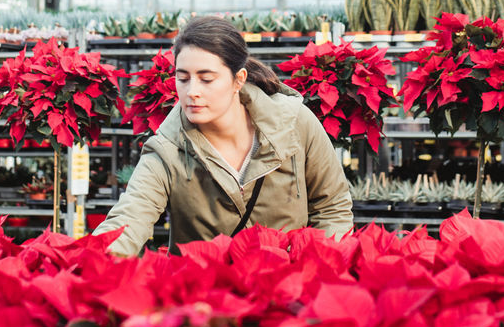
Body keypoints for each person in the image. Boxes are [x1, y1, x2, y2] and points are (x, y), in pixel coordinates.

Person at [93, 15, 354, 255]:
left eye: (206, 79)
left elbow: (332, 207)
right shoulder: (168, 147)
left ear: (238, 80)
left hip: (288, 290)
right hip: (207, 295)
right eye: (183, 78)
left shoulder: (295, 122)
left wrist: (319, 268)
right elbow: (130, 217)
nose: (192, 91)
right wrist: (92, 266)